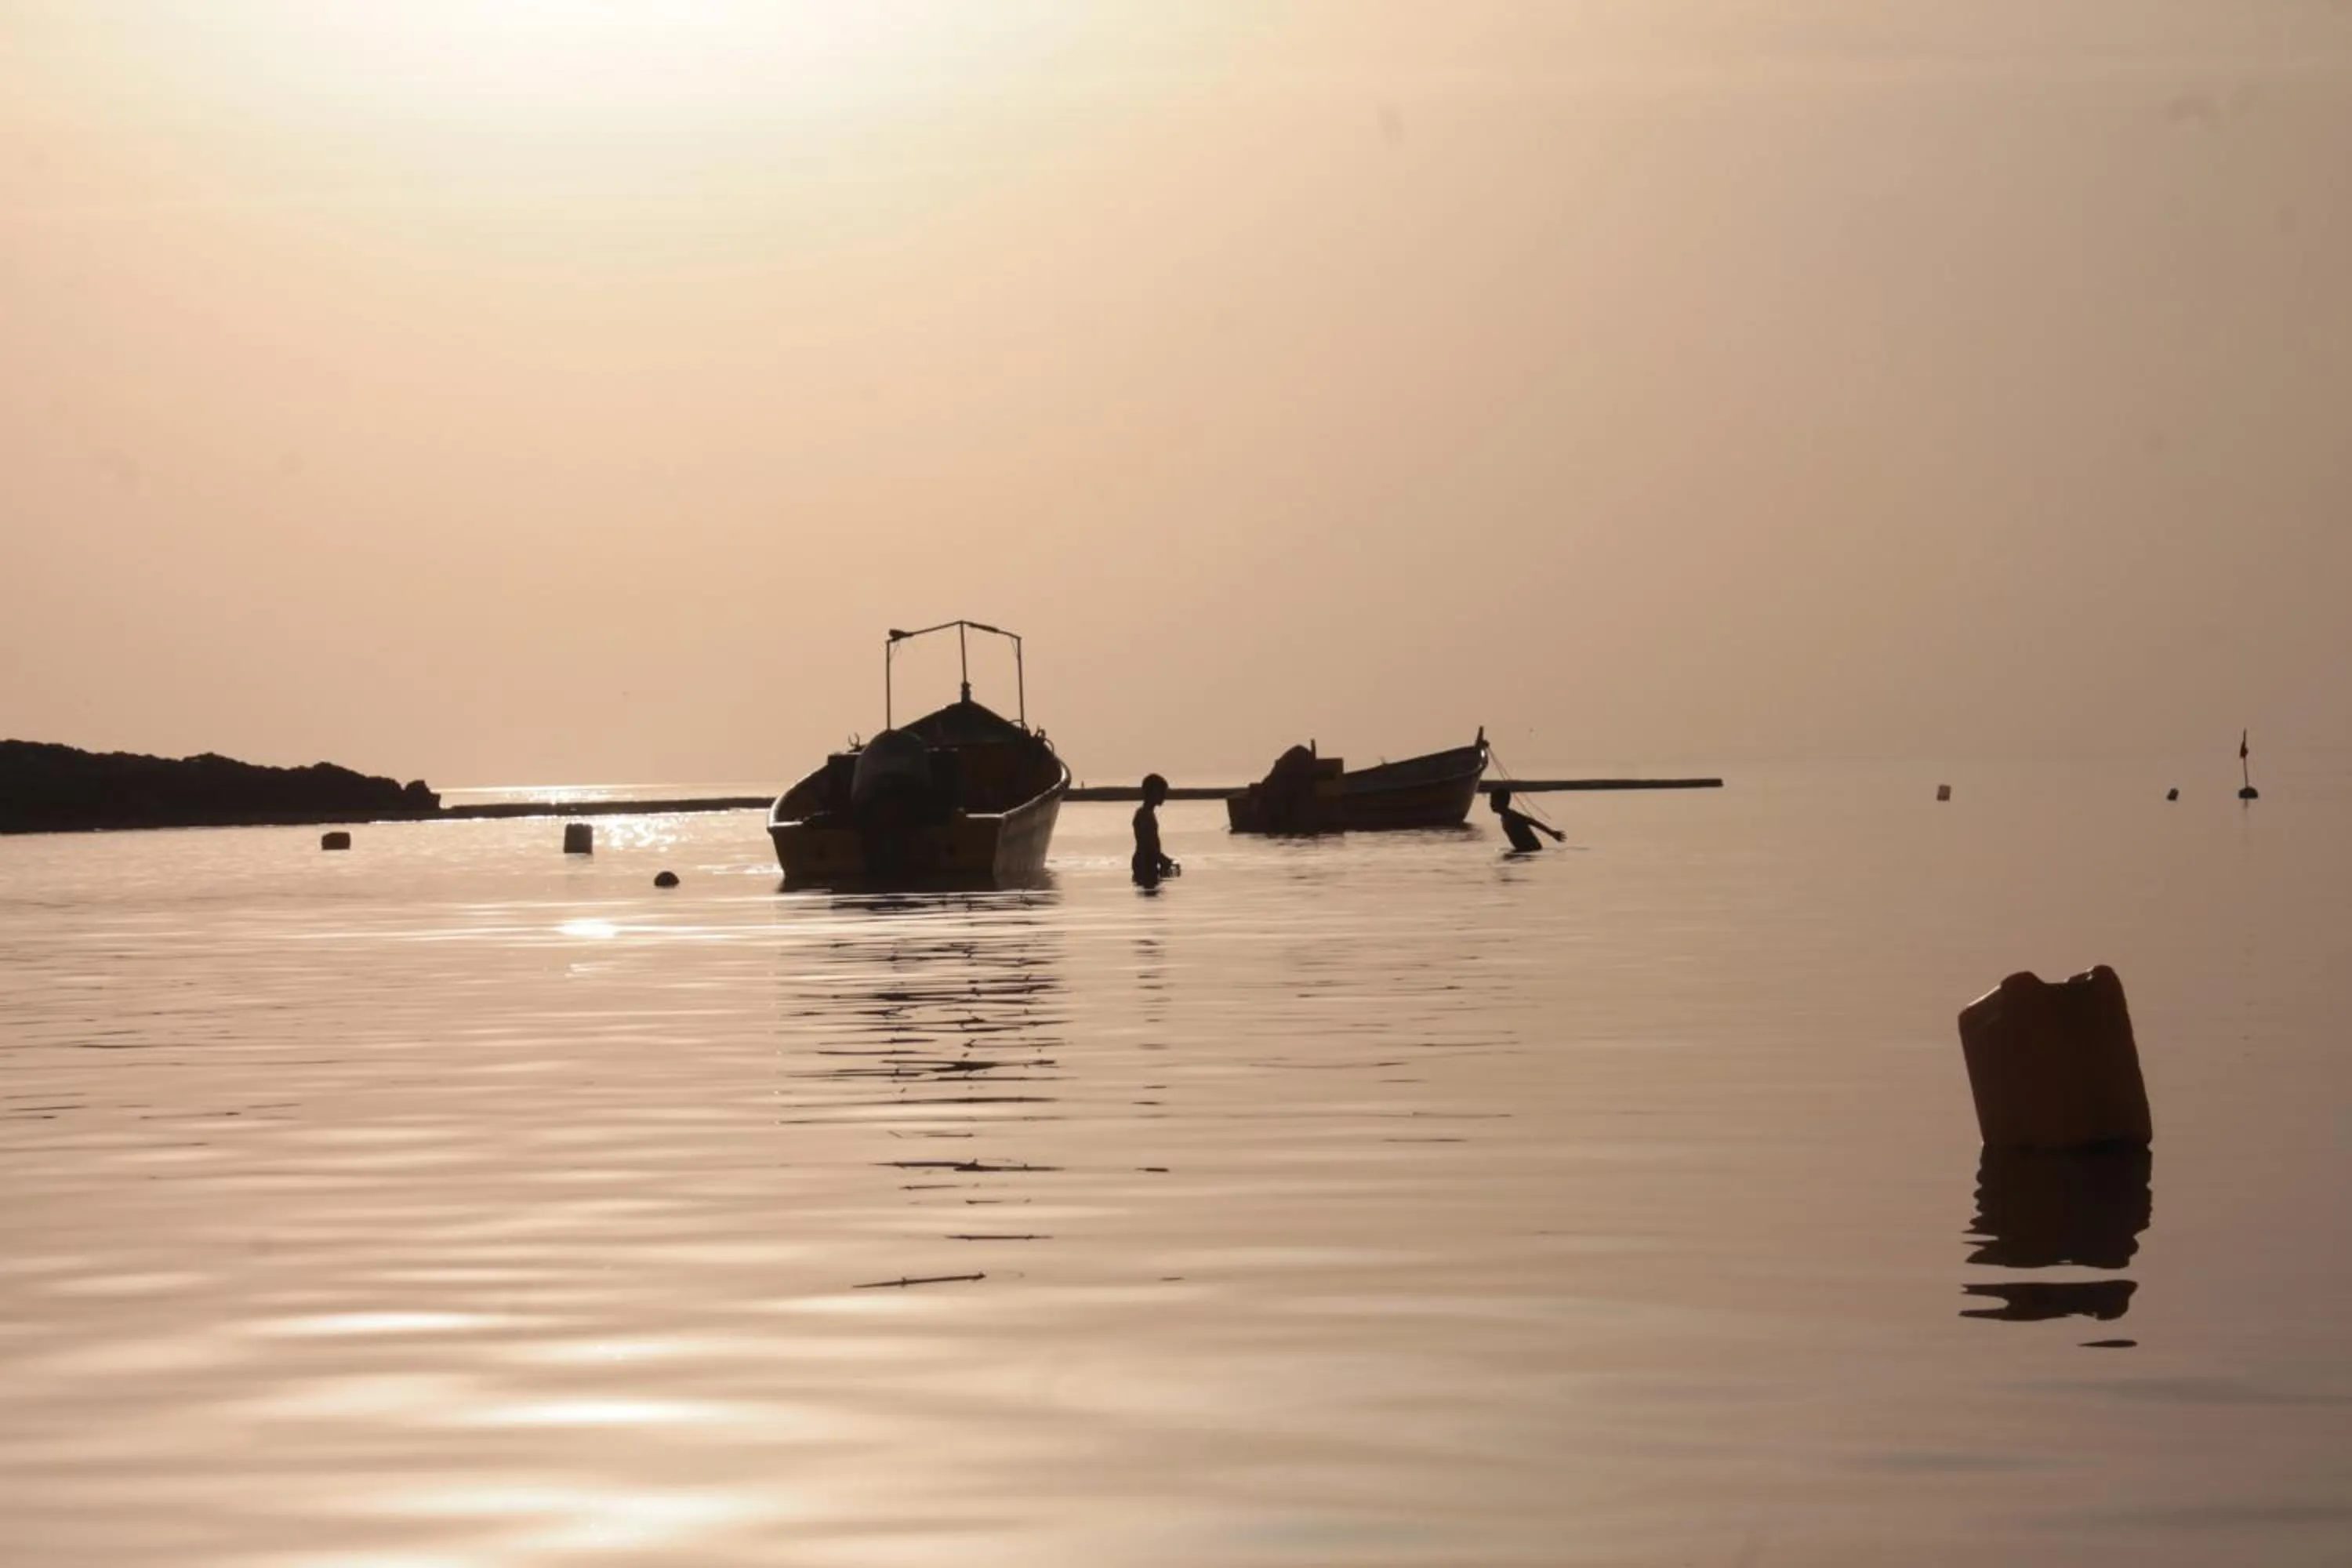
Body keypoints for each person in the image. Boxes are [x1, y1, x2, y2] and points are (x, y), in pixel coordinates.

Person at [1132, 773, 1179, 887]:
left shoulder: (1147, 813)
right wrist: (1164, 860)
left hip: (1148, 862)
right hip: (1144, 863)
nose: (1164, 796)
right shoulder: (1144, 815)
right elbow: (1148, 846)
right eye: (1162, 792)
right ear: (1153, 793)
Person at [1490, 787, 1565, 852]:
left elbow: (1533, 822)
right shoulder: (1504, 817)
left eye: (1493, 801)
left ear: (1502, 802)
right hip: (1523, 850)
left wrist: (1552, 833)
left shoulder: (1512, 816)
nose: (1491, 804)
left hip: (1532, 849)